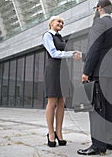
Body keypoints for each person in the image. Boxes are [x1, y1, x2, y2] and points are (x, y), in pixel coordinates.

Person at [77, 0, 112, 155]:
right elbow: (103, 51)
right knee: (109, 107)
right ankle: (110, 142)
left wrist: (86, 71)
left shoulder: (99, 23)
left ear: (100, 8)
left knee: (97, 108)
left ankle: (98, 146)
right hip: (109, 71)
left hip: (98, 71)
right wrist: (82, 56)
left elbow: (95, 49)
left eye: (96, 8)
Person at [42, 16, 81, 147]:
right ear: (51, 23)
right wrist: (71, 53)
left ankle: (59, 132)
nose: (61, 23)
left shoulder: (60, 37)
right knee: (52, 101)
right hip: (53, 70)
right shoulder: (47, 36)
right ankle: (50, 133)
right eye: (58, 21)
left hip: (63, 71)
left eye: (63, 22)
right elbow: (53, 53)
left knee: (61, 101)